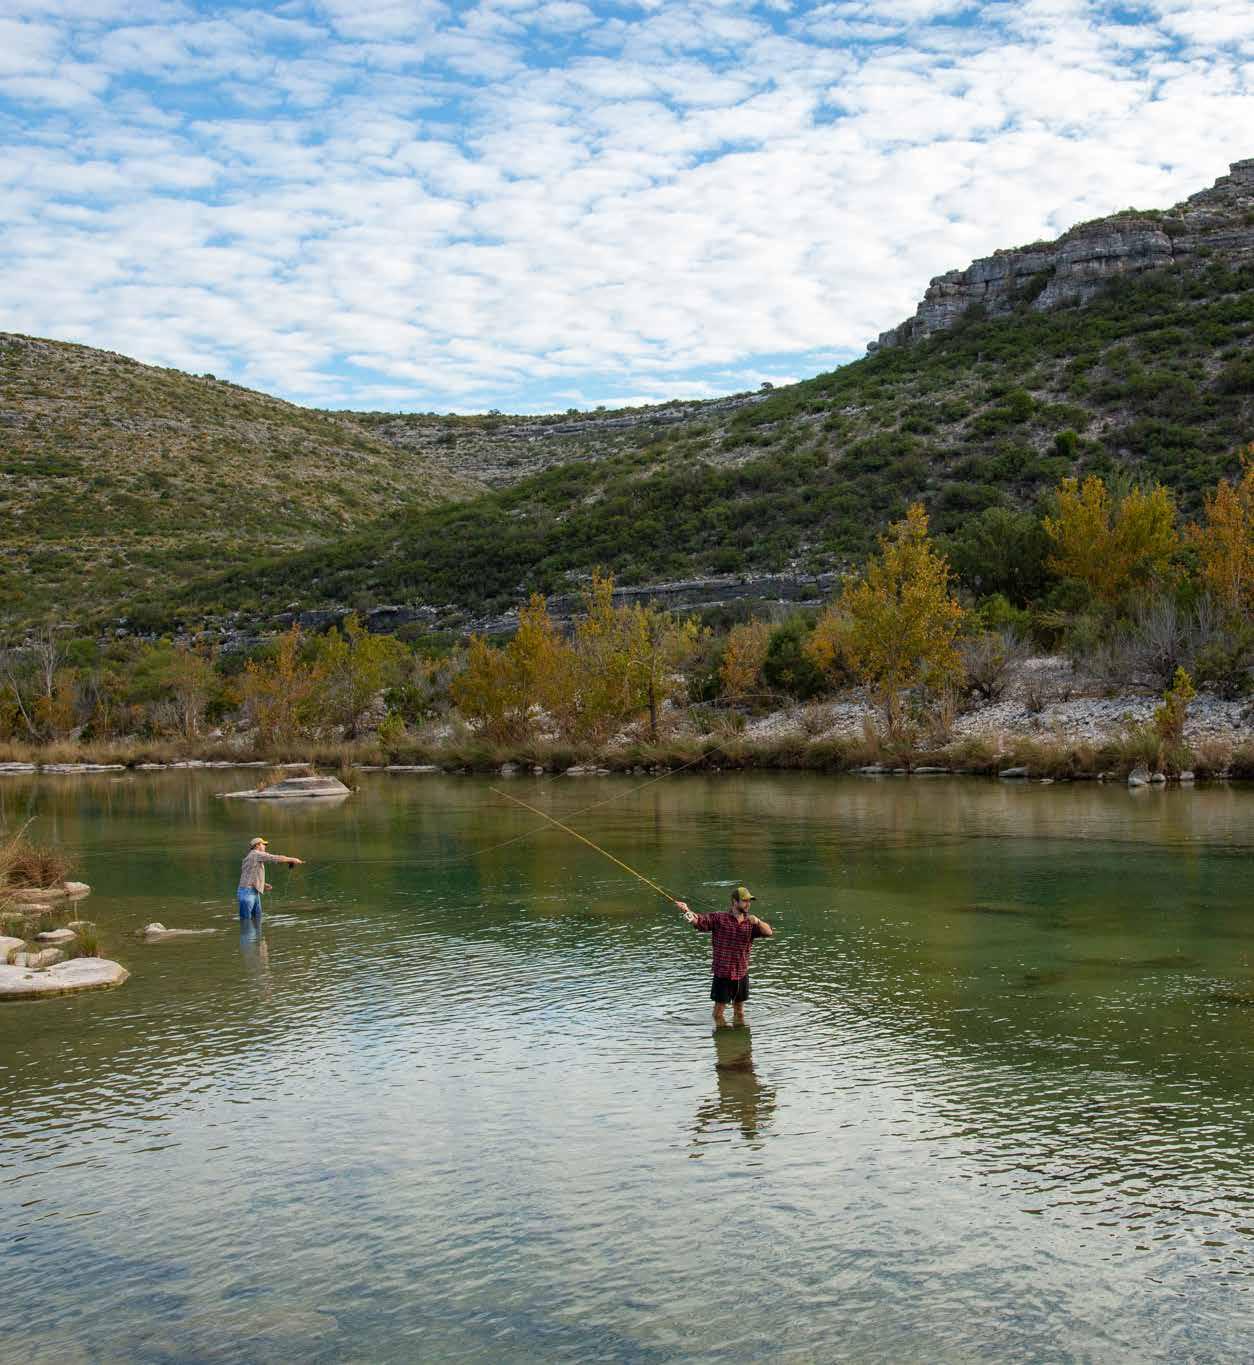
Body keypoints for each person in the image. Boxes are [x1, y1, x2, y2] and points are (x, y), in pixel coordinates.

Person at [676, 885, 773, 1025]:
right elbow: (698, 922)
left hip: (741, 973)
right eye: (745, 901)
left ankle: (738, 1036)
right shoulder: (719, 918)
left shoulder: (751, 922)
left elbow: (769, 932)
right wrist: (686, 910)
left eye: (749, 901)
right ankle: (721, 1035)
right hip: (723, 974)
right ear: (734, 901)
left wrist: (758, 921)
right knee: (718, 1012)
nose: (748, 904)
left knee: (740, 1011)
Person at [237, 836, 303, 919]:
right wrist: (293, 859)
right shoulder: (256, 854)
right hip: (247, 893)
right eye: (263, 844)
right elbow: (274, 858)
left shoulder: (250, 857)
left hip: (252, 891)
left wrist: (262, 884)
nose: (265, 846)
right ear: (257, 845)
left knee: (257, 918)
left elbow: (247, 875)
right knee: (246, 921)